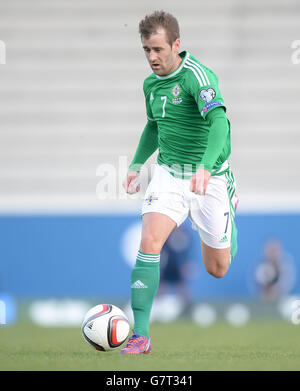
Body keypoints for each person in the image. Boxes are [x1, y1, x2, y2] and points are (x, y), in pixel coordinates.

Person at [121, 10, 238, 355]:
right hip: (170, 175)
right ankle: (140, 334)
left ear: (176, 44)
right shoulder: (150, 84)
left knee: (217, 269)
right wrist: (136, 164)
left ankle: (229, 224)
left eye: (158, 49)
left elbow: (220, 123)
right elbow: (154, 125)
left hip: (210, 178)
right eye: (147, 50)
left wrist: (205, 166)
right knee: (149, 240)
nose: (153, 57)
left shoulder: (196, 77)